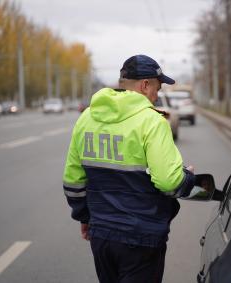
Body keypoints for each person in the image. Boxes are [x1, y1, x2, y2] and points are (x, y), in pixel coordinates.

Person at [63, 54, 196, 283]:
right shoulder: (152, 121)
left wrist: (85, 217)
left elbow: (73, 180)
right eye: (158, 86)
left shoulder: (87, 118)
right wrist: (188, 178)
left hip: (101, 234)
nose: (158, 94)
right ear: (145, 85)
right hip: (142, 237)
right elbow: (169, 182)